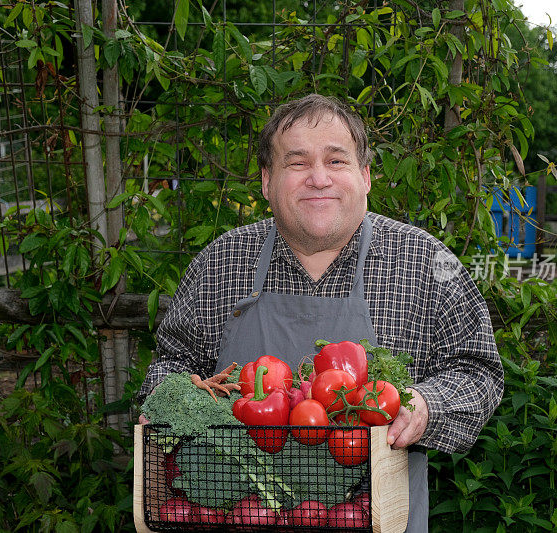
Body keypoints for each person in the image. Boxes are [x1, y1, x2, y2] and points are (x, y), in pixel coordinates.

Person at [139, 93, 503, 532]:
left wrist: (426, 406)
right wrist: (166, 399)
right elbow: (172, 361)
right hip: (238, 515)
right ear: (266, 180)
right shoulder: (220, 263)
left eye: (336, 161)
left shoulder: (424, 262)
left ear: (365, 175)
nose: (318, 178)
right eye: (297, 163)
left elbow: (479, 370)